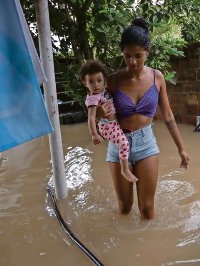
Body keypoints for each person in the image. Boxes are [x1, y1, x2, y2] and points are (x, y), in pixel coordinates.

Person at [101, 18, 190, 219]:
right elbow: (101, 117)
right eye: (127, 56)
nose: (132, 62)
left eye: (138, 56)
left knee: (147, 209)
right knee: (124, 207)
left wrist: (181, 148)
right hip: (118, 145)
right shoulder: (113, 81)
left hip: (146, 143)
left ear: (147, 52)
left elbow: (168, 116)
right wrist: (101, 110)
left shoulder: (157, 78)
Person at [80, 60, 138, 183]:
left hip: (115, 124)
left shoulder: (103, 90)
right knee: (124, 143)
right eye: (91, 82)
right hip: (107, 127)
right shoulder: (92, 99)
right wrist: (94, 134)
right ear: (85, 83)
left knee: (125, 140)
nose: (96, 85)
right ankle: (125, 169)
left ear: (104, 80)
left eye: (99, 81)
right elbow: (91, 117)